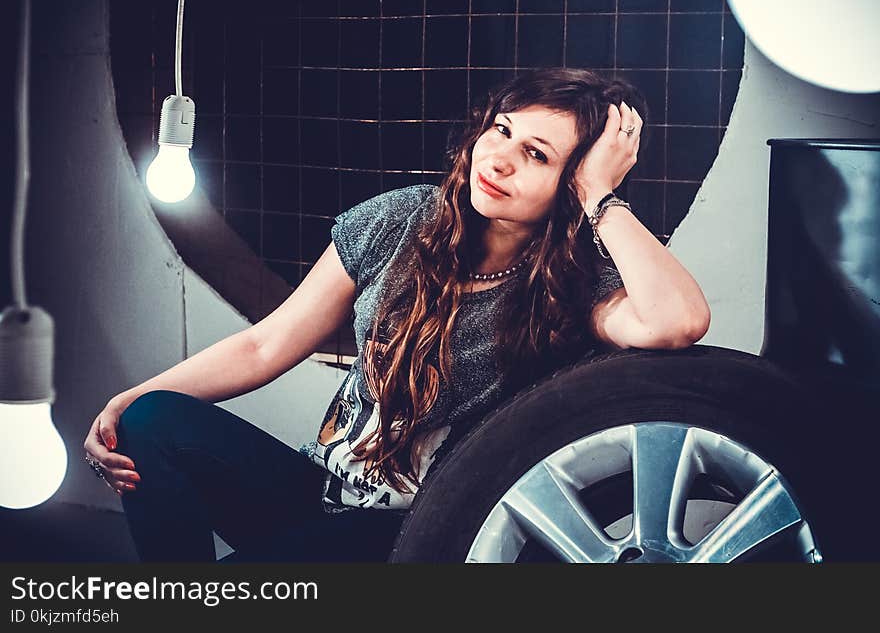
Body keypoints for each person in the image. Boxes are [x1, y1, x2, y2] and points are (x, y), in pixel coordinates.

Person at [82, 68, 711, 562]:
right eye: (501, 130)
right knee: (150, 417)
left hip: (418, 534)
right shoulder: (401, 219)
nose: (499, 158)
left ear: (572, 182)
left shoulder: (576, 288)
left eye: (539, 155)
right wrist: (124, 402)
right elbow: (264, 346)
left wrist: (601, 196)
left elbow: (677, 320)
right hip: (323, 490)